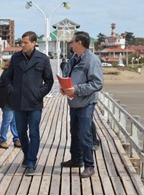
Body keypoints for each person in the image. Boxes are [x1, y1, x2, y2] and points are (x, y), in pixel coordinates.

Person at [4, 31, 54, 176]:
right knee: (20, 133)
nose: (23, 45)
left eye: (26, 42)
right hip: (18, 102)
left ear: (33, 43)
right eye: (22, 42)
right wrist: (11, 90)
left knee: (34, 132)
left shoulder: (43, 59)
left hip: (34, 103)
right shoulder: (16, 58)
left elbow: (49, 81)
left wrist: (39, 94)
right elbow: (8, 77)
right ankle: (27, 155)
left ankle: (31, 162)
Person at [60, 31, 103, 178]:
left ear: (79, 43)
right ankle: (76, 160)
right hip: (73, 102)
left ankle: (89, 165)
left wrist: (76, 89)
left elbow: (97, 83)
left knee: (85, 134)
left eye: (72, 41)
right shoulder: (73, 58)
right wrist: (64, 87)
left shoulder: (92, 60)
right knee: (74, 132)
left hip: (86, 103)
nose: (70, 44)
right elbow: (66, 74)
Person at [0, 60, 21, 149]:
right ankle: (3, 140)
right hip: (7, 100)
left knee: (13, 121)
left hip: (11, 100)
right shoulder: (9, 73)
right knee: (7, 120)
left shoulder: (10, 72)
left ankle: (16, 139)